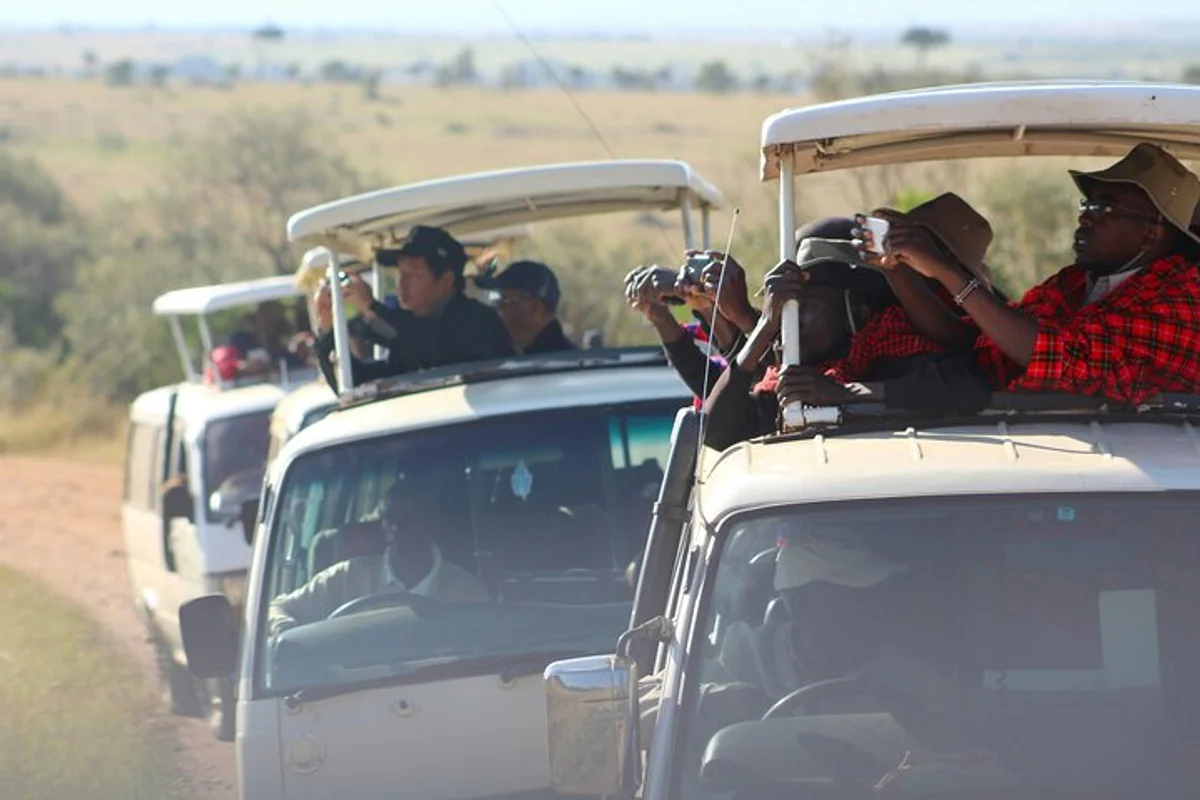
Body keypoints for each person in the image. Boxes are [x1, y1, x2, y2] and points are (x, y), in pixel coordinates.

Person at [870, 143, 1200, 405]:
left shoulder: (1180, 302)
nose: (1085, 218)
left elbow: (1062, 359)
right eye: (1087, 205)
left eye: (1104, 209)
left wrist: (946, 271)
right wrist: (896, 269)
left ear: (1151, 235)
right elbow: (978, 337)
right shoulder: (1074, 283)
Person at [772, 193, 999, 410]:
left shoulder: (894, 345)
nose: (790, 322)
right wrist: (765, 324)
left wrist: (847, 393)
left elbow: (965, 371)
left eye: (806, 307)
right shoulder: (797, 370)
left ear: (857, 312)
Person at [267, 472, 490, 638]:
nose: (397, 527)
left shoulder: (466, 591)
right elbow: (277, 607)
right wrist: (287, 631)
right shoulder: (347, 577)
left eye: (410, 518)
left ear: (432, 524)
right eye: (389, 517)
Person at [311, 224, 517, 390]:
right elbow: (358, 384)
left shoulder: (476, 322)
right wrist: (328, 330)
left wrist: (370, 306)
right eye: (401, 274)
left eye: (414, 276)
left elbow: (427, 345)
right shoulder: (411, 328)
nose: (401, 284)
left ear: (446, 281)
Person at [474, 260, 579, 354]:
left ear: (535, 308)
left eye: (504, 300)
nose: (499, 310)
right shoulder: (566, 358)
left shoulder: (548, 363)